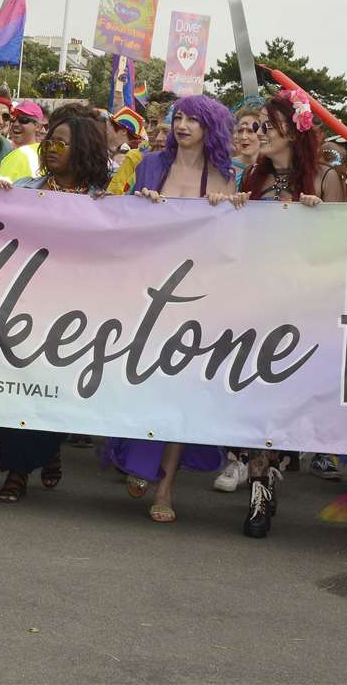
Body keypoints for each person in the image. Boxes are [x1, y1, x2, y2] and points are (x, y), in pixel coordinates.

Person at [105, 94, 237, 523]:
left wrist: (229, 210)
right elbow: (121, 220)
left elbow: (232, 241)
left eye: (193, 120)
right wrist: (140, 204)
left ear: (210, 128)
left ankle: (165, 487)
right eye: (178, 117)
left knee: (180, 394)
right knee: (140, 383)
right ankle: (137, 459)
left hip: (196, 296)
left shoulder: (222, 174)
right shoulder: (149, 166)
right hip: (146, 291)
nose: (182, 125)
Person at [228, 88, 347, 535]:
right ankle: (259, 492)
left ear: (294, 130)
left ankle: (276, 467)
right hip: (257, 307)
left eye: (267, 125)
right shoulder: (251, 180)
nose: (258, 132)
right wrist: (233, 210)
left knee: (288, 401)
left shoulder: (325, 178)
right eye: (257, 125)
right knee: (257, 401)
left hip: (306, 311)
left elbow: (344, 248)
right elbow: (234, 244)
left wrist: (318, 221)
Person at [0, 102, 110, 503]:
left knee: (53, 389)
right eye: (50, 141)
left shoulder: (104, 202)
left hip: (70, 312)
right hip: (22, 304)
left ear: (84, 151)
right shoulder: (24, 190)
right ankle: (17, 472)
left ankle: (48, 448)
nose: (52, 148)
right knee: (16, 389)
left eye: (62, 143)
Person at [0, 99, 46, 181]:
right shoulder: (46, 153)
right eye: (13, 119)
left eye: (23, 120)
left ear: (38, 127)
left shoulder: (17, 156)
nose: (15, 124)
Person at [106, 106, 146, 194]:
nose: (106, 129)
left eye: (109, 125)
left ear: (123, 131)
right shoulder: (108, 150)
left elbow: (118, 191)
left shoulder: (133, 156)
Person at [230, 96, 266, 183]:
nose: (243, 136)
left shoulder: (272, 169)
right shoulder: (224, 167)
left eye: (250, 131)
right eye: (240, 131)